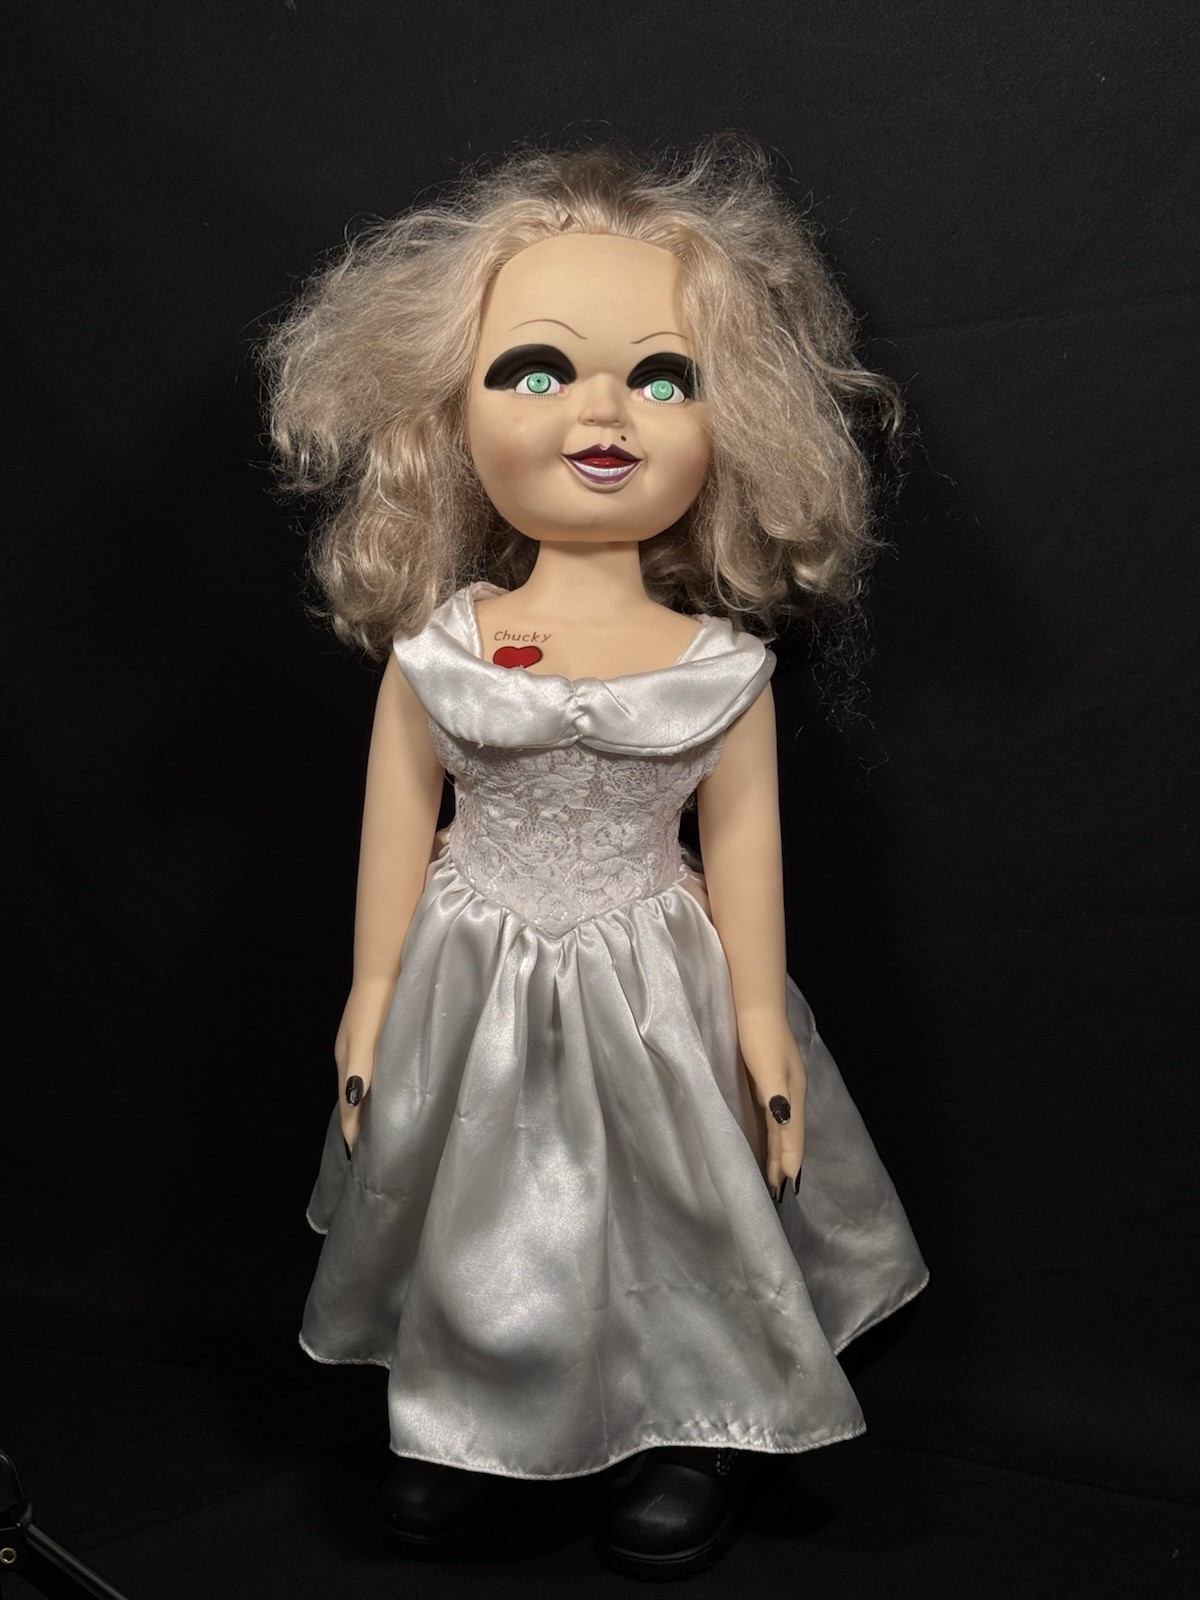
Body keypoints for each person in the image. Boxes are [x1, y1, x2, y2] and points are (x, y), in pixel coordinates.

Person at [259, 135, 929, 1580]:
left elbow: (743, 842)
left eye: (666, 379)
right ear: (445, 411)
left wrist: (761, 1023)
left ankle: (684, 1422)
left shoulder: (718, 668)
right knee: (479, 1198)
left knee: (672, 1197)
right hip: (470, 967)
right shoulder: (441, 648)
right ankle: (463, 1418)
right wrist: (370, 992)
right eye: (537, 370)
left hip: (652, 973)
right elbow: (398, 825)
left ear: (736, 423)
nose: (605, 412)